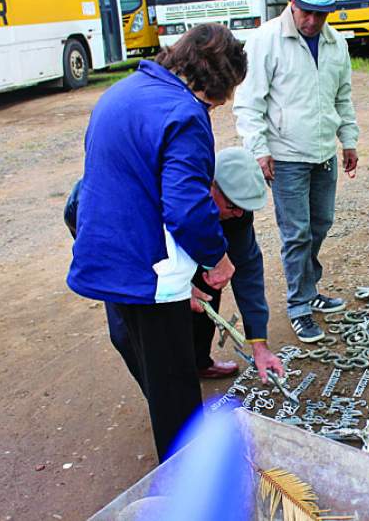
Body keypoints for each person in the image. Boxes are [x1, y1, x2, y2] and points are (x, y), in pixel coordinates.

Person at [67, 24, 276, 461]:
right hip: (142, 272)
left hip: (115, 260)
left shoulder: (119, 95)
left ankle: (169, 427)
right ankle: (189, 487)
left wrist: (190, 286)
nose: (220, 106)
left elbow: (99, 194)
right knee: (176, 391)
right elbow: (184, 207)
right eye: (226, 94)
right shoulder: (184, 114)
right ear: (216, 81)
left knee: (156, 370)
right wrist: (216, 261)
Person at [64, 148, 283, 384]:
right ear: (209, 187)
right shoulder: (155, 197)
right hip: (120, 243)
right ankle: (162, 395)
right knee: (129, 331)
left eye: (244, 207)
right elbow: (127, 254)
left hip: (182, 234)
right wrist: (177, 285)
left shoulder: (236, 212)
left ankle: (198, 361)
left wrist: (259, 342)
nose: (239, 213)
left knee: (209, 283)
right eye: (232, 206)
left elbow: (247, 270)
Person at [233, 0, 361, 344]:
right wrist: (258, 150)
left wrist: (348, 140)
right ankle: (300, 306)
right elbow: (248, 102)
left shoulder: (337, 45)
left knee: (320, 224)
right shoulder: (265, 41)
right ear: (292, 1)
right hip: (286, 156)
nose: (311, 20)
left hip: (323, 154)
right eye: (305, 11)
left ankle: (309, 287)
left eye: (320, 14)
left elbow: (343, 98)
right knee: (296, 233)